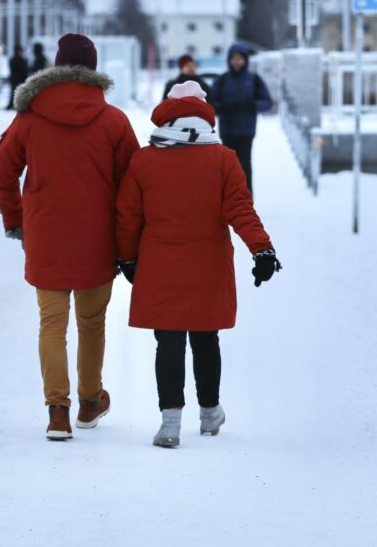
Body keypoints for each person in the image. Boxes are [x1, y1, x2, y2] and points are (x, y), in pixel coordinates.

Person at [0, 33, 139, 441]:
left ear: (55, 68)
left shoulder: (30, 118)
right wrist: (130, 238)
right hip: (97, 237)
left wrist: (15, 218)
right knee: (92, 323)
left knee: (51, 324)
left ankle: (58, 412)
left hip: (45, 233)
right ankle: (91, 402)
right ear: (93, 71)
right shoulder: (114, 122)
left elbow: (0, 169)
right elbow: (133, 184)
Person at [115, 81, 281, 449]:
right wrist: (262, 250)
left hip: (160, 263)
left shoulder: (144, 160)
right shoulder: (223, 159)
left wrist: (127, 257)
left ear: (166, 115)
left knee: (168, 340)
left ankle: (170, 421)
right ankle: (209, 413)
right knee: (206, 338)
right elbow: (241, 209)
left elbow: (128, 216)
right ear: (205, 116)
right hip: (208, 262)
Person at [209, 43, 273, 193]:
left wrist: (252, 105)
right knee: (228, 166)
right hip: (227, 130)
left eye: (240, 58)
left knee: (245, 165)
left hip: (246, 131)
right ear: (229, 60)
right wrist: (223, 107)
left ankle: (246, 198)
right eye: (234, 58)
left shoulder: (254, 80)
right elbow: (210, 104)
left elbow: (267, 102)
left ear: (245, 60)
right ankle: (227, 198)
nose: (237, 62)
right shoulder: (222, 80)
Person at [6, 44, 30, 111]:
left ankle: (15, 104)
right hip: (15, 79)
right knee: (14, 93)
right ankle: (13, 104)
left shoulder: (21, 60)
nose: (20, 53)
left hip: (20, 79)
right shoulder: (14, 60)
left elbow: (25, 70)